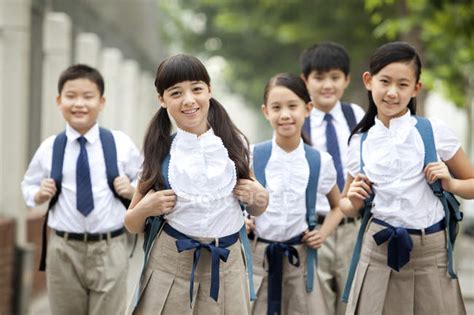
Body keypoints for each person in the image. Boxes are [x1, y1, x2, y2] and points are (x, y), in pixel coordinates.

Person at [124, 54, 268, 314]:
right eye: (176, 92)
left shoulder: (234, 146)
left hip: (227, 263)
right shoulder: (159, 150)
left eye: (197, 89)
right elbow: (131, 223)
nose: (189, 100)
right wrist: (147, 207)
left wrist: (259, 195)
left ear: (209, 90)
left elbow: (258, 207)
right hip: (171, 264)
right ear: (162, 99)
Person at [340, 41, 473, 314]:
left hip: (431, 254)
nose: (392, 92)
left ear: (416, 88)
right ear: (369, 81)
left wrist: (451, 183)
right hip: (377, 251)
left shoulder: (433, 132)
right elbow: (346, 205)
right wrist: (352, 199)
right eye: (385, 81)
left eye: (403, 85)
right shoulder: (359, 141)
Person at [21, 64, 141, 315]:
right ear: (59, 100)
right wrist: (38, 193)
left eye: (88, 97)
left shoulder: (119, 143)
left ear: (101, 101)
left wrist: (131, 190)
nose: (79, 104)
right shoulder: (50, 147)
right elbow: (28, 185)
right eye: (71, 96)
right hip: (63, 249)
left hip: (110, 246)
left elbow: (146, 182)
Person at [247, 73, 345, 315]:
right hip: (257, 258)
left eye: (293, 106)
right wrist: (242, 220)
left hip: (300, 260)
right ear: (265, 111)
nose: (285, 115)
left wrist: (322, 234)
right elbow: (234, 202)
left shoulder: (319, 161)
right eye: (276, 107)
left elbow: (338, 205)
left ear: (307, 108)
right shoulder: (252, 155)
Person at [299, 41, 365, 315]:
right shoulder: (298, 120)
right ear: (305, 80)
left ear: (347, 80)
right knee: (315, 304)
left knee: (352, 304)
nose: (327, 85)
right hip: (312, 229)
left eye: (335, 77)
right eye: (319, 77)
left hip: (352, 228)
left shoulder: (357, 116)